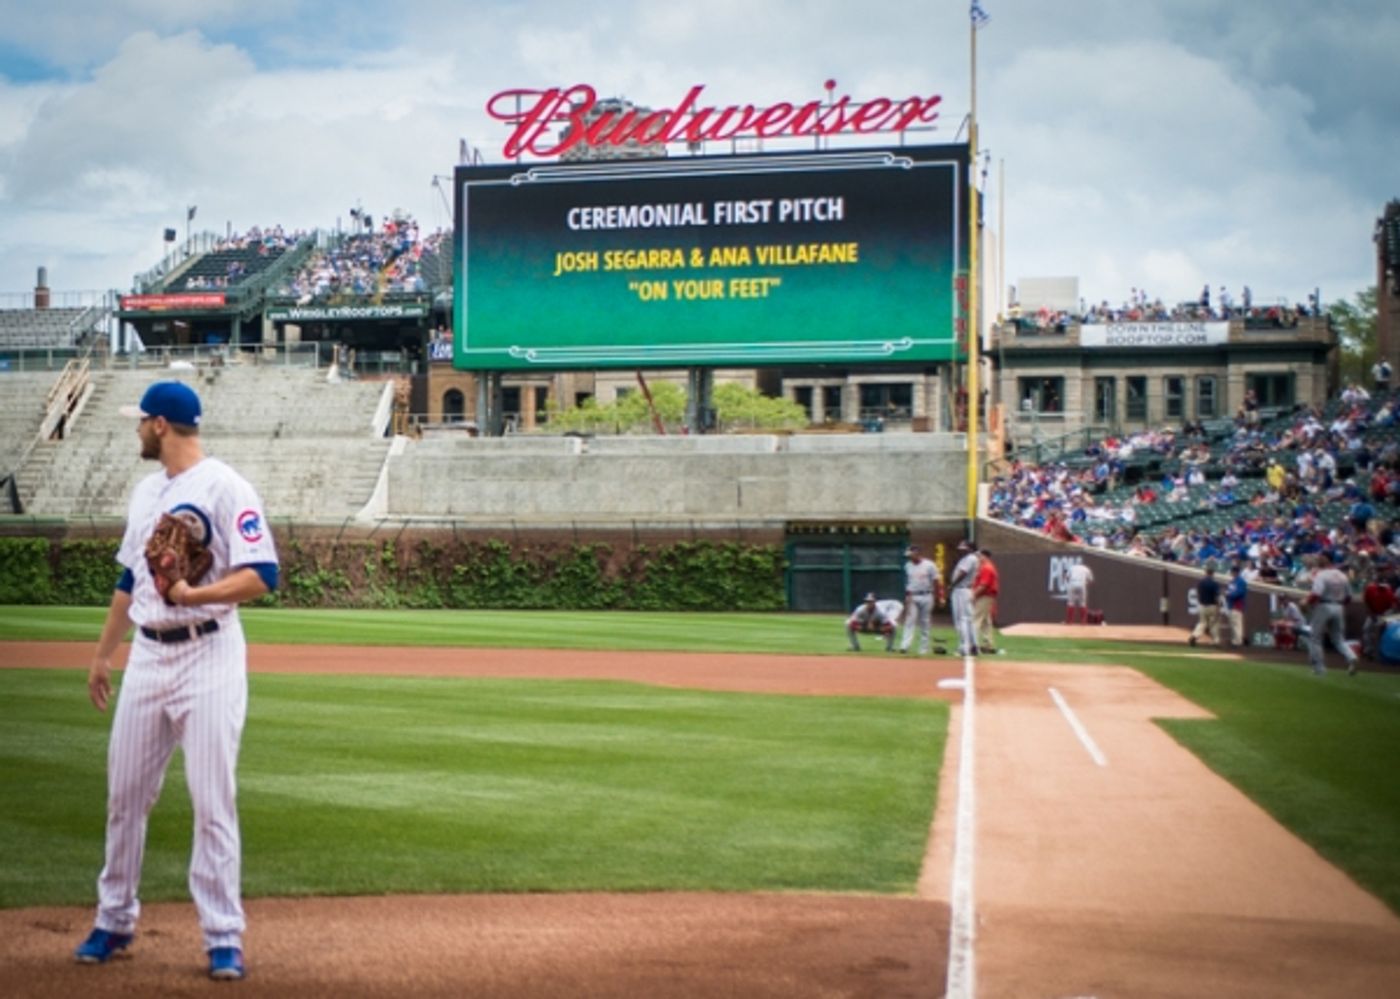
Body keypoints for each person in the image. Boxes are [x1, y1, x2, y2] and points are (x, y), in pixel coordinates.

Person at [75, 381, 279, 981]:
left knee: (212, 800)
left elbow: (262, 574)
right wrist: (102, 655)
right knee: (125, 796)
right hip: (148, 656)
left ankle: (223, 936)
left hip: (209, 656)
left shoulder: (225, 486)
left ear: (160, 425)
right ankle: (114, 919)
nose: (136, 430)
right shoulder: (146, 492)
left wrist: (196, 593)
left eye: (140, 422)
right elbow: (127, 583)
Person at [1307, 555, 1360, 676]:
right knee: (1338, 639)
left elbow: (1316, 594)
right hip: (1339, 606)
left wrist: (1306, 602)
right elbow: (1349, 597)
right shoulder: (1342, 575)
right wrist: (1339, 606)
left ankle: (1319, 668)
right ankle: (1351, 657)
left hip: (1324, 605)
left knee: (1315, 637)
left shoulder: (1321, 575)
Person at [899, 545, 940, 655]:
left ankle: (923, 648)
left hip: (927, 594)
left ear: (917, 553)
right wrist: (907, 598)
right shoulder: (908, 565)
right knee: (909, 620)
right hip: (912, 595)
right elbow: (908, 582)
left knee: (925, 622)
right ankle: (905, 646)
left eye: (911, 555)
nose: (909, 557)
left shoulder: (929, 565)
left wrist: (937, 596)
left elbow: (936, 581)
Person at [947, 541, 981, 656]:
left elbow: (963, 573)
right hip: (964, 590)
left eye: (964, 547)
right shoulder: (969, 558)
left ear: (970, 548)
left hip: (961, 590)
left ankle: (964, 647)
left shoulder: (970, 558)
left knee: (961, 620)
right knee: (968, 620)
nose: (960, 549)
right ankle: (973, 646)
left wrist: (952, 584)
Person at [971, 548, 1001, 654]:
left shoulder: (986, 568)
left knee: (976, 619)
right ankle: (988, 645)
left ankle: (973, 644)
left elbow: (983, 585)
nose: (978, 558)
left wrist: (973, 595)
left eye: (979, 556)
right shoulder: (985, 567)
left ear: (985, 556)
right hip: (986, 596)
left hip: (984, 596)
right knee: (985, 621)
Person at [1361, 570, 1395, 660]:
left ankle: (1379, 652)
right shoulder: (1370, 589)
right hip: (1373, 613)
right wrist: (1371, 613)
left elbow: (1392, 607)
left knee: (1380, 632)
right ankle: (1368, 650)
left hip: (1384, 615)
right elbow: (1366, 602)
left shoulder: (1388, 591)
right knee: (1366, 629)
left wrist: (1383, 618)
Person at [1189, 565, 1223, 646]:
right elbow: (1217, 596)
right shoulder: (1215, 584)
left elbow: (1198, 594)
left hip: (1202, 605)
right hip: (1212, 606)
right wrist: (1219, 607)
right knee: (1214, 624)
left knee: (1202, 623)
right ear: (1213, 574)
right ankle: (1216, 640)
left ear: (1206, 572)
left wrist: (1200, 602)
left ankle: (1195, 635)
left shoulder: (1200, 583)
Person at [1224, 563, 1248, 647]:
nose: (1231, 573)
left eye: (1233, 571)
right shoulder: (1232, 581)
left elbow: (1239, 593)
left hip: (1237, 605)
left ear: (1236, 572)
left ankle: (1238, 641)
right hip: (1231, 605)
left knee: (1237, 624)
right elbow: (1229, 591)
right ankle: (1234, 640)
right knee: (1232, 624)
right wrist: (1227, 594)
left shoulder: (1241, 582)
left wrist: (1228, 594)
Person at [1065, 559, 1093, 624]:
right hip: (1082, 584)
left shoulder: (1072, 567)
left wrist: (1070, 583)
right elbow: (1090, 580)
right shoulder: (1086, 568)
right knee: (1083, 603)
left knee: (1070, 602)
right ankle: (1083, 621)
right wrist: (1085, 584)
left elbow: (1067, 577)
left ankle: (1069, 621)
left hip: (1072, 583)